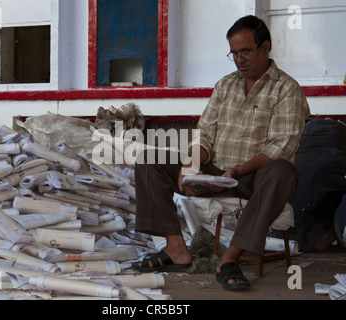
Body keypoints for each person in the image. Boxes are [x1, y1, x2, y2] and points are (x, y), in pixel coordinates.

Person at [132, 15, 311, 290]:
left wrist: (237, 172)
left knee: (283, 171)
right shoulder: (226, 85)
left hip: (254, 178)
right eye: (234, 53)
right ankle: (176, 248)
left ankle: (229, 259)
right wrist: (192, 166)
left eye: (246, 51)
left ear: (265, 47)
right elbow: (205, 133)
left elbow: (281, 146)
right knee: (150, 158)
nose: (239, 60)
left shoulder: (287, 90)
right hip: (215, 172)